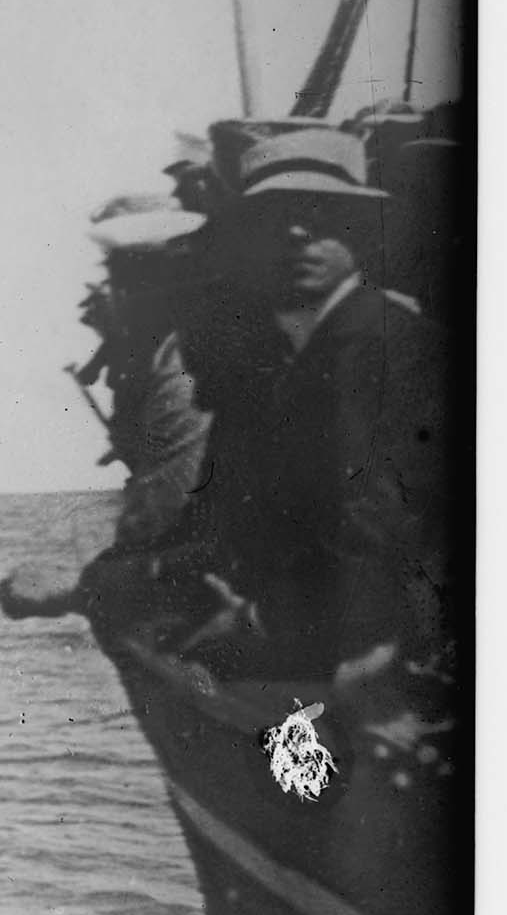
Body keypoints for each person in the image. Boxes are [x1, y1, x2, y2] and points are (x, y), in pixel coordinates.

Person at [177, 126, 447, 679]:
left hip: (384, 650)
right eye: (275, 220)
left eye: (321, 217)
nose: (298, 232)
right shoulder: (290, 352)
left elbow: (375, 526)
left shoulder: (382, 343)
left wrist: (261, 620)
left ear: (362, 235)